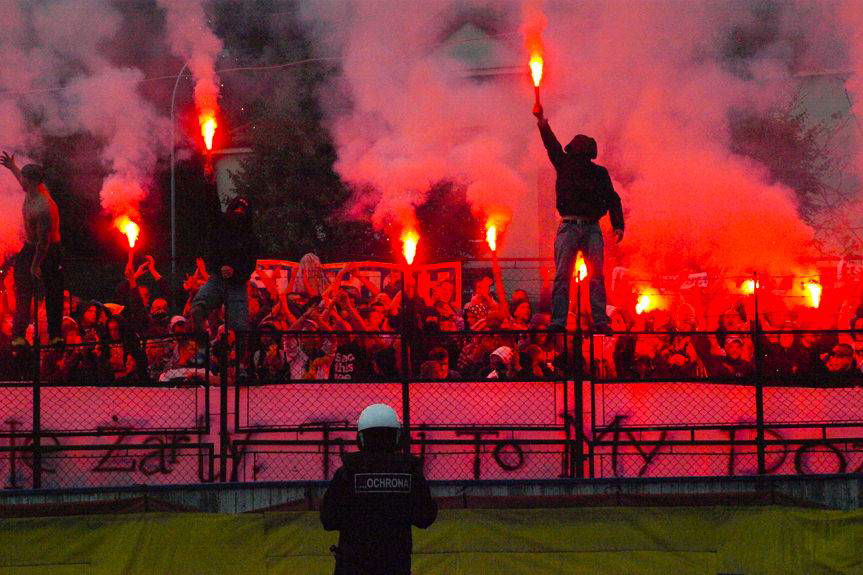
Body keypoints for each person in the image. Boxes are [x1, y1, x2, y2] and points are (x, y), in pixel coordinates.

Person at [533, 107, 624, 334]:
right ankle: (578, 321)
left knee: (571, 276)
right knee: (586, 276)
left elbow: (551, 145)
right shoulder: (587, 170)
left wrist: (542, 122)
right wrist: (617, 224)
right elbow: (613, 199)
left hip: (579, 227)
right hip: (581, 226)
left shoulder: (574, 166)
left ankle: (573, 321)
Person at [321, 404, 437, 575]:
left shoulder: (348, 472)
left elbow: (329, 520)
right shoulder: (409, 471)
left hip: (353, 565)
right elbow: (425, 517)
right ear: (397, 437)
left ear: (361, 438)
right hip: (395, 565)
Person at [1, 152, 63, 345]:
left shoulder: (44, 207)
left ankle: (55, 335)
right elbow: (22, 179)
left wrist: (36, 265)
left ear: (34, 182)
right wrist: (12, 166)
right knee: (23, 286)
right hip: (31, 247)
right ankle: (19, 334)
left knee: (53, 291)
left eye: (25, 180)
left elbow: (43, 243)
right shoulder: (31, 189)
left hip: (48, 250)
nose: (22, 182)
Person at [191, 194, 260, 333]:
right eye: (236, 208)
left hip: (237, 285)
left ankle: (238, 353)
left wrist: (235, 272)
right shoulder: (221, 227)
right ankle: (202, 347)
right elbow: (212, 209)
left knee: (239, 329)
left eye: (242, 210)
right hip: (217, 279)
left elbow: (250, 265)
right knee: (198, 308)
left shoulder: (251, 238)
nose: (239, 212)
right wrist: (210, 185)